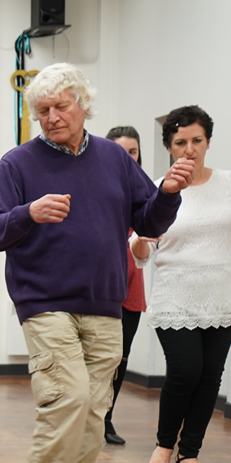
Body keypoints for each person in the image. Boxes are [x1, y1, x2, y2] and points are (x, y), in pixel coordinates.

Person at [0, 63, 190, 463]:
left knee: (93, 413)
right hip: (45, 302)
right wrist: (27, 213)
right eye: (42, 110)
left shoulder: (114, 158)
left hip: (105, 303)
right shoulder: (18, 164)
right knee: (66, 398)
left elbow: (148, 220)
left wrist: (169, 194)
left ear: (83, 106)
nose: (51, 117)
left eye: (60, 106)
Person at [133, 106, 231, 463]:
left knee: (209, 376)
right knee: (185, 370)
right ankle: (163, 446)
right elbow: (142, 256)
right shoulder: (159, 188)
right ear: (169, 148)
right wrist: (141, 240)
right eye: (180, 143)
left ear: (207, 142)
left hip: (223, 293)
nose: (189, 150)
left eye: (196, 141)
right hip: (175, 294)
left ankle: (190, 454)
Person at [102, 126, 148, 446]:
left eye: (132, 151)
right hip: (99, 282)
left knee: (121, 357)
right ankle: (84, 419)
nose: (127, 157)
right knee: (94, 358)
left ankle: (105, 419)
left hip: (130, 283)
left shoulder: (144, 190)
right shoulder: (96, 185)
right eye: (120, 150)